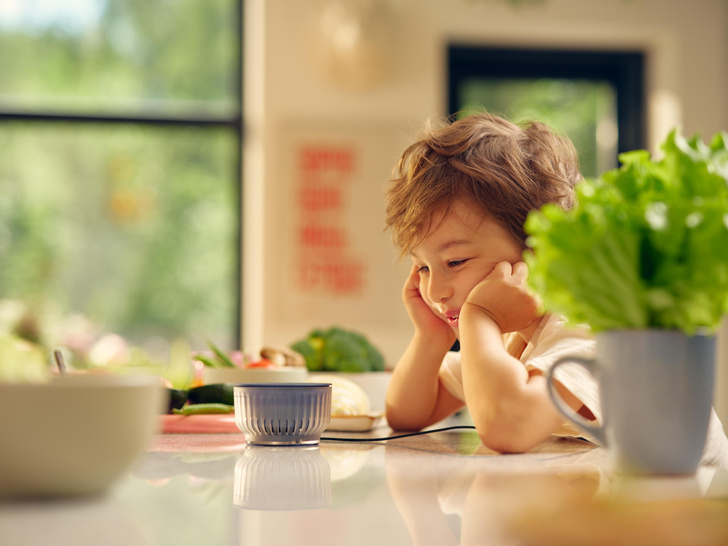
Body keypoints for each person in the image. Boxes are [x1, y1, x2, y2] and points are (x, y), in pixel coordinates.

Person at [384, 111, 598, 453]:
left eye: (455, 261)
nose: (435, 291)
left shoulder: (586, 326)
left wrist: (479, 316)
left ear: (539, 250)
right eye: (422, 267)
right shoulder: (510, 340)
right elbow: (406, 414)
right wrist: (430, 337)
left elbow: (508, 428)